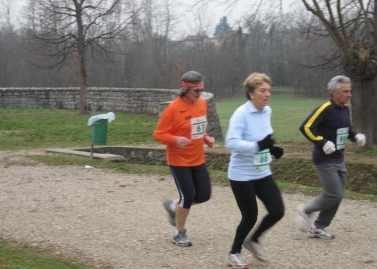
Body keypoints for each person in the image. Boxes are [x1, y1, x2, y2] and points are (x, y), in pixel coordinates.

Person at [225, 72, 285, 268]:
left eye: (269, 90)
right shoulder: (241, 114)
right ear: (251, 93)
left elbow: (265, 137)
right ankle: (234, 253)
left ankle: (254, 240)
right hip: (241, 175)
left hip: (262, 171)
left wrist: (272, 148)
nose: (267, 94)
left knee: (278, 210)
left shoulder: (267, 111)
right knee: (249, 216)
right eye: (262, 90)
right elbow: (231, 143)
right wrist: (257, 146)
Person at [297, 75, 366, 239]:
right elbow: (305, 127)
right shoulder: (325, 108)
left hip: (339, 158)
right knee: (334, 194)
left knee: (338, 196)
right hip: (324, 160)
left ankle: (318, 227)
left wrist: (356, 136)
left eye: (350, 91)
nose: (349, 94)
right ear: (334, 92)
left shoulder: (344, 109)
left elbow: (347, 129)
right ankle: (305, 211)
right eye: (345, 91)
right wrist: (322, 142)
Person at [153, 71, 214, 247]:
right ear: (185, 89)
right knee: (187, 196)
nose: (199, 94)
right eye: (196, 90)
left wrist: (206, 137)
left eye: (201, 90)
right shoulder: (173, 108)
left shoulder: (202, 103)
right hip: (178, 160)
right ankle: (178, 233)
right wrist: (174, 139)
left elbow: (198, 127)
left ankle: (174, 207)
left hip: (198, 158)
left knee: (204, 195)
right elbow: (158, 134)